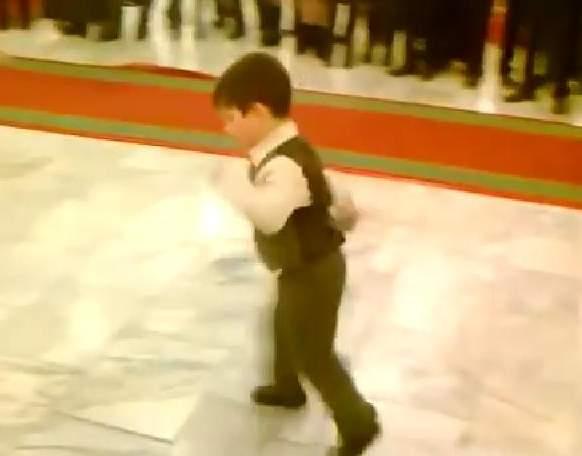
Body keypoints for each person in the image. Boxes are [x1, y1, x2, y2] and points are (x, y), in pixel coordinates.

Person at [212, 53, 381, 456]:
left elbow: (270, 216)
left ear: (257, 112)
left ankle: (358, 422)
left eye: (231, 118)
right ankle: (287, 385)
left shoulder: (283, 163)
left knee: (315, 353)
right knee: (282, 322)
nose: (226, 129)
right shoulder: (290, 148)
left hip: (313, 271)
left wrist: (233, 184)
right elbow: (325, 188)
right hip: (304, 265)